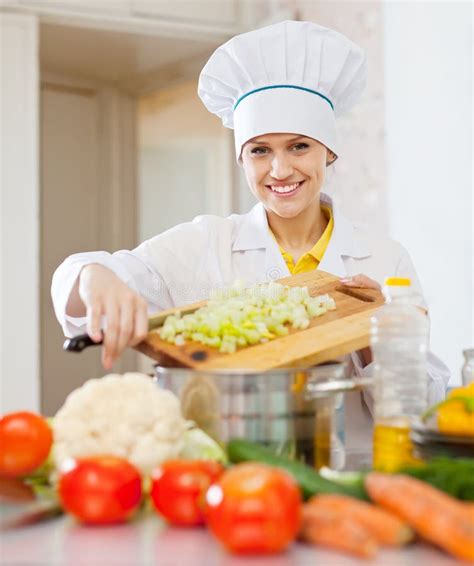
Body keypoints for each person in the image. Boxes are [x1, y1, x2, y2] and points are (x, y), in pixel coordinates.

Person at [51, 20, 449, 450]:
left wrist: (375, 340)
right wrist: (92, 276)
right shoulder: (204, 244)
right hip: (232, 485)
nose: (280, 171)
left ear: (328, 151)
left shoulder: (384, 260)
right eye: (260, 150)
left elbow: (424, 411)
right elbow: (82, 291)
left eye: (299, 146)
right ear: (241, 158)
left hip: (349, 485)